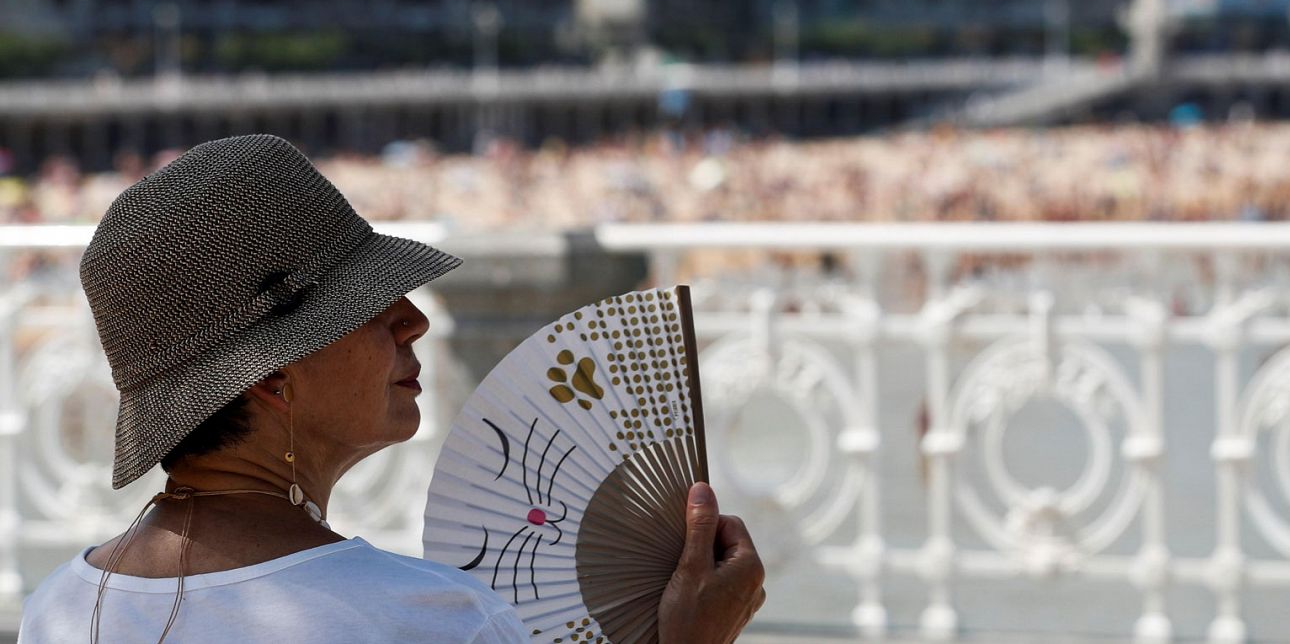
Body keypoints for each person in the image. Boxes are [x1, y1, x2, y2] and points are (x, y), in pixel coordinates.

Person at [18, 134, 764, 643]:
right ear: (274, 372)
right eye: (368, 306)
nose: (412, 321)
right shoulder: (432, 619)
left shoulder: (63, 607)